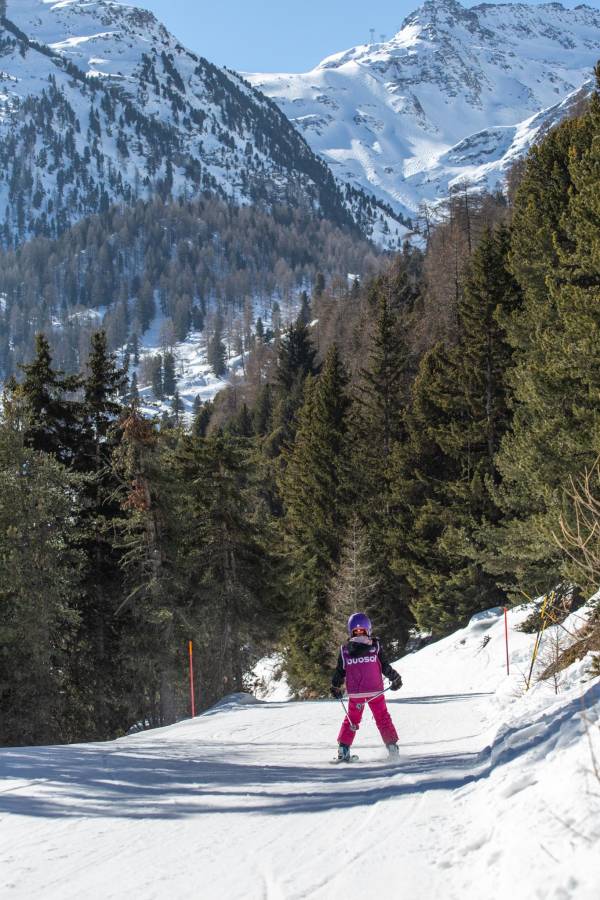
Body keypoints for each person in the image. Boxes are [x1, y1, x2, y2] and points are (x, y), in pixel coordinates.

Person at [330, 612, 402, 761]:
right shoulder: (375, 647)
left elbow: (340, 671)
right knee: (382, 718)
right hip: (375, 691)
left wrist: (335, 686)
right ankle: (392, 748)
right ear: (368, 629)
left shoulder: (345, 651)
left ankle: (343, 749)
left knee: (352, 720)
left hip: (356, 695)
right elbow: (384, 666)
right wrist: (394, 678)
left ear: (350, 630)